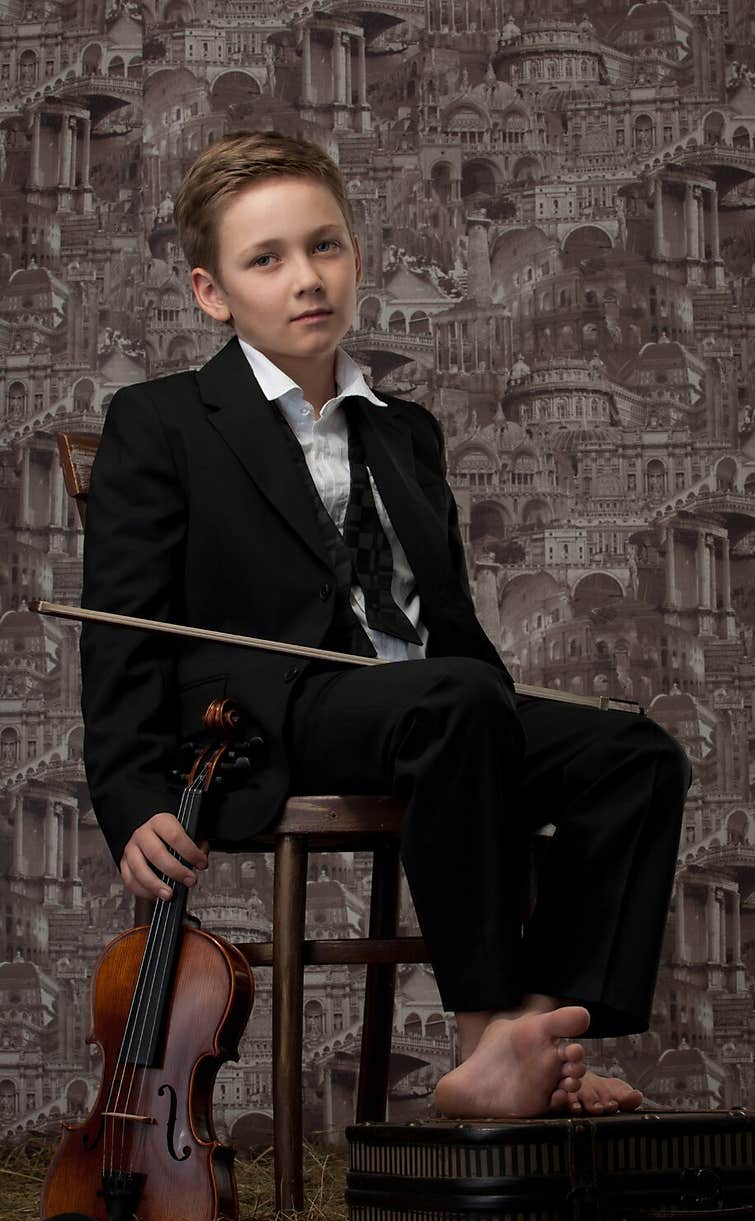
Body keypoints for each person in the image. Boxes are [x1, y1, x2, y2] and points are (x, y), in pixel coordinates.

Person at [80, 130, 692, 1122]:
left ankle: (538, 1032)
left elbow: (443, 623)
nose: (306, 278)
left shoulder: (404, 430)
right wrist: (126, 790)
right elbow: (119, 625)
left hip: (432, 706)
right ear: (212, 293)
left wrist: (498, 698)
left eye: (325, 246)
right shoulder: (162, 421)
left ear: (356, 256)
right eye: (266, 259)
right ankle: (480, 1037)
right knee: (451, 699)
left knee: (636, 754)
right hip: (274, 714)